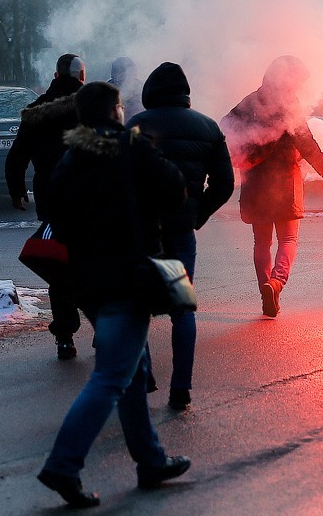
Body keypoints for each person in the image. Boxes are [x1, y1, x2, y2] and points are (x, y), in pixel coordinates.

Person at [38, 81, 190, 508]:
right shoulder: (131, 148)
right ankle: (63, 465)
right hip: (129, 278)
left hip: (88, 282)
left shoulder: (70, 158)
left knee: (134, 372)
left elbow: (58, 218)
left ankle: (151, 460)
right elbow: (174, 190)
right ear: (116, 111)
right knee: (110, 376)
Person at [126, 62, 234, 411]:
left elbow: (119, 179)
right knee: (181, 308)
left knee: (136, 305)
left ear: (151, 93)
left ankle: (145, 377)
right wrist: (196, 214)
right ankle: (181, 389)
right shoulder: (207, 127)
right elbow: (224, 184)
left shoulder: (136, 126)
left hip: (142, 233)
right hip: (180, 233)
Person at [221, 55, 323, 317]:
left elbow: (226, 127)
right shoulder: (289, 105)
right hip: (284, 183)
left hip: (254, 180)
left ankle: (264, 289)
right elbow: (307, 144)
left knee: (261, 242)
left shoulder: (250, 101)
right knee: (288, 239)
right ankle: (276, 282)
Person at [5, 53, 86, 360]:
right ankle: (102, 331)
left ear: (55, 75)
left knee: (59, 261)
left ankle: (64, 335)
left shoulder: (39, 108)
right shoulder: (92, 103)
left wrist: (16, 189)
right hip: (90, 192)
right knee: (95, 258)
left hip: (51, 193)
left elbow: (18, 154)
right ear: (81, 76)